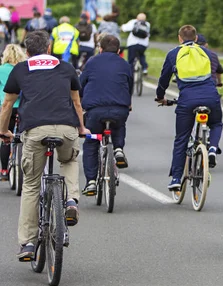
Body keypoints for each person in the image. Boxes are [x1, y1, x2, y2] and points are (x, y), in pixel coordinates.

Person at [0, 30, 89, 261]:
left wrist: (3, 131)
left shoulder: (21, 68)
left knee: (30, 184)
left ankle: (28, 243)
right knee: (68, 159)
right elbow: (76, 102)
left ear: (27, 51)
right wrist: (81, 128)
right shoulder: (66, 66)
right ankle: (71, 200)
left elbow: (7, 104)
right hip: (66, 127)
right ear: (49, 48)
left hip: (35, 129)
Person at [156, 24, 223, 188]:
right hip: (210, 96)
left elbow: (164, 79)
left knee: (181, 139)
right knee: (216, 123)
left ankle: (176, 179)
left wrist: (160, 96)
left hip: (187, 99)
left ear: (179, 38)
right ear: (196, 38)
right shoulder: (206, 52)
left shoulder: (173, 54)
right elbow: (215, 74)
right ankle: (213, 148)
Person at [80, 34, 132, 195]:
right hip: (119, 108)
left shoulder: (92, 62)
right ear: (118, 50)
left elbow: (81, 84)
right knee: (119, 125)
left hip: (95, 111)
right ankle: (118, 149)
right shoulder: (124, 64)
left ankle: (91, 182)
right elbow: (129, 85)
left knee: (91, 143)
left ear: (100, 49)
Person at [0, 44, 27, 180]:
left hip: (6, 107)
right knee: (24, 136)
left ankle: (4, 170)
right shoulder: (22, 70)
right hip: (22, 106)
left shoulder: (1, 69)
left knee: (5, 137)